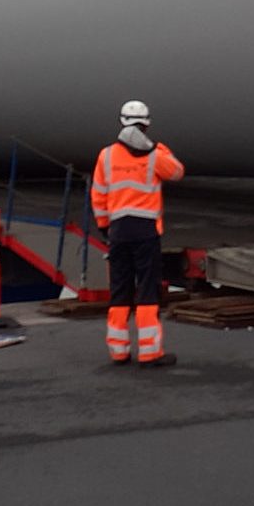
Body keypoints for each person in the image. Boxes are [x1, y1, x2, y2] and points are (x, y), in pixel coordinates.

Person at [93, 100, 184, 367]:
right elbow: (177, 172)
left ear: (122, 122)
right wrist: (162, 148)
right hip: (145, 231)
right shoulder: (155, 155)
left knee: (120, 290)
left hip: (118, 230)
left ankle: (118, 351)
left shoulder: (106, 155)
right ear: (146, 125)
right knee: (147, 289)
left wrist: (104, 226)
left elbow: (98, 195)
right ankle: (150, 351)